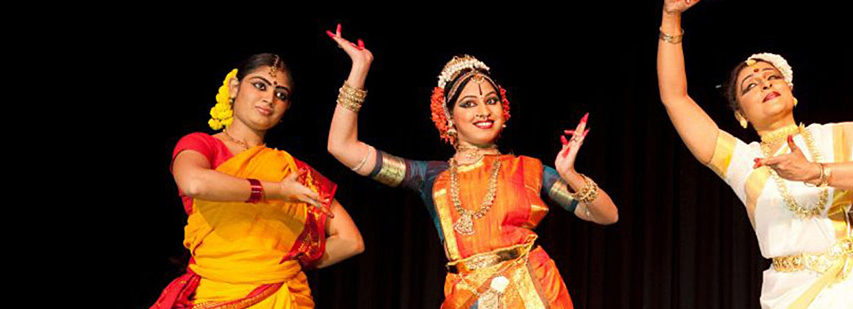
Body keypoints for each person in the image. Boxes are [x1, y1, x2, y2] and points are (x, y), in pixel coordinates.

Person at [654, 0, 853, 308]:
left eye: (772, 78)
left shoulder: (839, 135)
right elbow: (674, 97)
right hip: (791, 292)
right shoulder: (743, 161)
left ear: (791, 90)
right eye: (750, 86)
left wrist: (816, 172)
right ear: (740, 115)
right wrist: (671, 19)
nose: (765, 84)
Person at [323, 24, 618, 308]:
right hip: (467, 296)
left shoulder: (529, 170)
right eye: (468, 104)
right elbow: (342, 147)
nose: (484, 111)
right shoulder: (430, 177)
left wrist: (570, 174)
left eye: (491, 101)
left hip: (534, 293)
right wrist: (359, 69)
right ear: (448, 116)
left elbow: (607, 216)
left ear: (504, 109)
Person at [152, 53, 365, 309]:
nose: (269, 98)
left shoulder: (291, 170)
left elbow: (351, 240)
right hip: (215, 294)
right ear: (234, 87)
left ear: (286, 108)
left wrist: (279, 266)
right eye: (260, 85)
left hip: (279, 296)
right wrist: (277, 191)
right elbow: (194, 183)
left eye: (281, 94)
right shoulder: (201, 145)